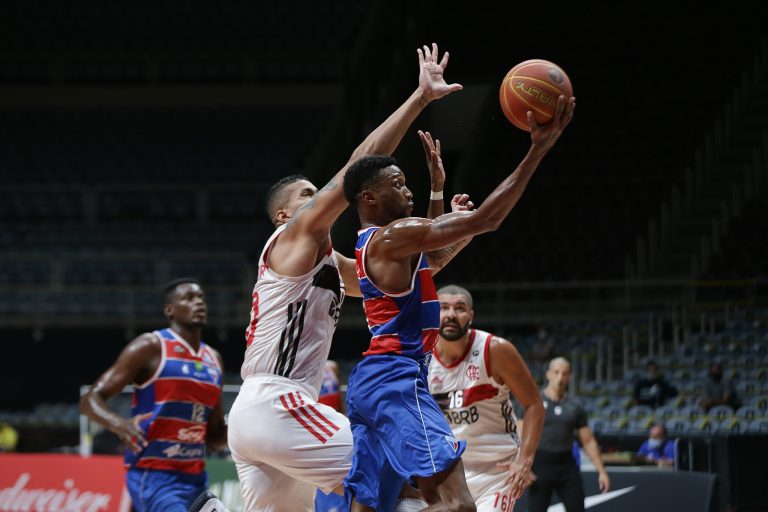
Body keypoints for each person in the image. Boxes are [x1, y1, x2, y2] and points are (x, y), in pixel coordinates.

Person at [225, 43, 463, 512]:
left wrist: (448, 210)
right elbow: (358, 167)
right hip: (277, 404)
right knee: (397, 473)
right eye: (308, 194)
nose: (319, 198)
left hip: (266, 416)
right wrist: (419, 98)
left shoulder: (330, 265)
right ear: (283, 216)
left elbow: (423, 267)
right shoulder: (292, 238)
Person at [342, 90, 575, 510]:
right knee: (459, 506)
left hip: (373, 380)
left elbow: (433, 259)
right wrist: (537, 150)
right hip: (397, 377)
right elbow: (488, 219)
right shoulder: (392, 237)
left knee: (374, 505)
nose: (407, 191)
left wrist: (437, 192)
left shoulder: (379, 244)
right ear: (369, 198)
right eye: (397, 184)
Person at [80, 278, 227, 512]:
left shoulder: (214, 359)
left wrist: (240, 428)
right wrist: (119, 424)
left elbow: (214, 438)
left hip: (196, 477)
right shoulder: (151, 346)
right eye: (189, 298)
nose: (199, 302)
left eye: (201, 298)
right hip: (153, 475)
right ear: (169, 310)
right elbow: (89, 399)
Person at [428, 285, 545, 511]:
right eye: (443, 308)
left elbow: (534, 405)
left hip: (496, 470)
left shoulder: (495, 350)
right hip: (448, 473)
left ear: (470, 316)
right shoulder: (421, 356)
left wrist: (525, 460)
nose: (451, 314)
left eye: (459, 308)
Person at [517, 357, 609, 512]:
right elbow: (520, 434)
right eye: (556, 372)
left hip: (566, 465)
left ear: (569, 377)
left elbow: (588, 441)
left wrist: (602, 471)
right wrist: (523, 466)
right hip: (539, 465)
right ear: (548, 374)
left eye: (564, 373)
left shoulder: (575, 406)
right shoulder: (534, 401)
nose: (560, 377)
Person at [315, 360, 350, 512]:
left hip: (336, 425)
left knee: (341, 473)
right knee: (324, 478)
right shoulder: (302, 367)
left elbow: (339, 402)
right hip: (316, 430)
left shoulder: (332, 366)